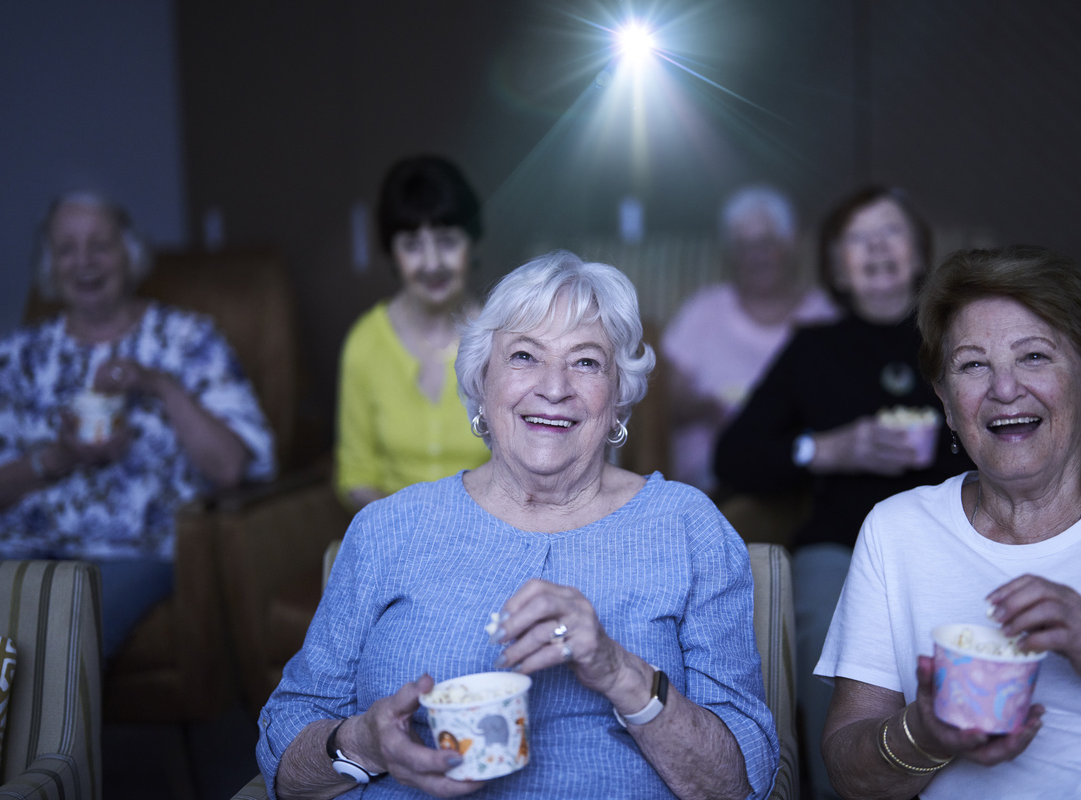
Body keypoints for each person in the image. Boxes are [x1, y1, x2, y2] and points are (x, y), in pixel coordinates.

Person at [258, 251, 779, 799]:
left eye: (586, 362)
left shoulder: (688, 527)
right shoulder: (388, 530)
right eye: (525, 356)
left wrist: (619, 672)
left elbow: (743, 780)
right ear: (482, 380)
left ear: (619, 399)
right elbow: (283, 754)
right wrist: (362, 744)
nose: (554, 388)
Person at [816, 245, 1081, 799]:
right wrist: (926, 732)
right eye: (973, 365)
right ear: (946, 403)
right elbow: (847, 777)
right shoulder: (899, 531)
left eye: (1034, 357)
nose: (1004, 389)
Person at [714, 185, 960, 800]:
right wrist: (827, 449)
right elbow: (734, 455)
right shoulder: (812, 348)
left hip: (956, 537)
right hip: (839, 545)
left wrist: (950, 443)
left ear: (918, 251)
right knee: (827, 628)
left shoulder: (957, 336)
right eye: (858, 238)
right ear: (836, 264)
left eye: (891, 232)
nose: (876, 247)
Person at [0, 192, 275, 659]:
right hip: (22, 543)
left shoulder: (187, 339)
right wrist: (60, 457)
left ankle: (54, 735)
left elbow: (230, 467)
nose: (84, 262)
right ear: (50, 264)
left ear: (130, 252)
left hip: (134, 549)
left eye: (100, 245)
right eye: (67, 249)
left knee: (64, 637)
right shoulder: (17, 356)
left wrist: (159, 385)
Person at [335, 155, 491, 512]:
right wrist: (410, 532)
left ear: (473, 242)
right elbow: (355, 475)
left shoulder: (504, 339)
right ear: (391, 253)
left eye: (448, 241)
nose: (433, 263)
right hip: (394, 541)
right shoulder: (365, 342)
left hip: (491, 541)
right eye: (412, 245)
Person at [661, 184, 838, 494]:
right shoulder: (704, 310)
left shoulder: (823, 317)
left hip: (796, 481)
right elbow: (660, 396)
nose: (756, 256)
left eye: (766, 242)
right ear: (730, 254)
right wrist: (705, 408)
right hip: (703, 488)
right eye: (743, 246)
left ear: (790, 244)